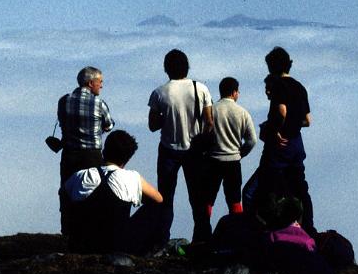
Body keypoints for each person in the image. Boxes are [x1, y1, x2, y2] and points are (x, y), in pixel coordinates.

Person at [148, 49, 214, 244]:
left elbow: (152, 126)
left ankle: (161, 239)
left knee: (165, 198)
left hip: (168, 150)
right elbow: (209, 121)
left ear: (166, 69)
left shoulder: (159, 92)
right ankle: (202, 239)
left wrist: (167, 118)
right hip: (194, 150)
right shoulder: (200, 88)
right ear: (187, 66)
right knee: (198, 198)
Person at [63, 130, 163, 254]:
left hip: (82, 244)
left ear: (104, 151)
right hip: (116, 245)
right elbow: (159, 200)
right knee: (156, 208)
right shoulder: (132, 178)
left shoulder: (81, 175)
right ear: (127, 159)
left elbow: (65, 195)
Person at [253, 47, 315, 233]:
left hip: (280, 145)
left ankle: (265, 228)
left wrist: (274, 129)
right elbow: (307, 120)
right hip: (297, 143)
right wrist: (291, 125)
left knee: (265, 187)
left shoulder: (279, 85)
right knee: (299, 188)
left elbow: (282, 112)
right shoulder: (300, 86)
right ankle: (308, 228)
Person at [194, 77, 257, 242]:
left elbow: (201, 133)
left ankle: (203, 236)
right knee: (235, 200)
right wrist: (240, 153)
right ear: (235, 92)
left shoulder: (212, 110)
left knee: (207, 200)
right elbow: (252, 140)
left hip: (212, 160)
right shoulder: (242, 112)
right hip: (233, 162)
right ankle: (236, 237)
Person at [56, 66, 114, 234]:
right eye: (100, 82)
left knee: (68, 191)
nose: (101, 85)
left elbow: (62, 121)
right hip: (92, 156)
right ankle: (91, 231)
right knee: (93, 192)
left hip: (69, 154)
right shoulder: (99, 103)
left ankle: (68, 231)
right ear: (91, 83)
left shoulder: (64, 101)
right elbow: (109, 125)